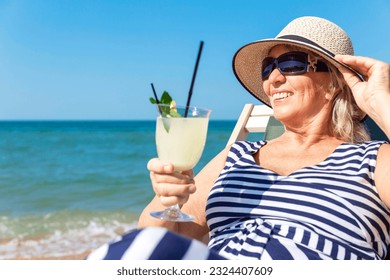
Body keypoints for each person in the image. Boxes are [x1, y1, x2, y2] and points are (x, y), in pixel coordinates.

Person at [87, 16, 390, 260]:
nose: (274, 78)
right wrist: (167, 198)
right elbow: (160, 238)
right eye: (267, 67)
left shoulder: (374, 160)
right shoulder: (237, 156)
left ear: (335, 82)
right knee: (129, 252)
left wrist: (380, 103)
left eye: (292, 63)